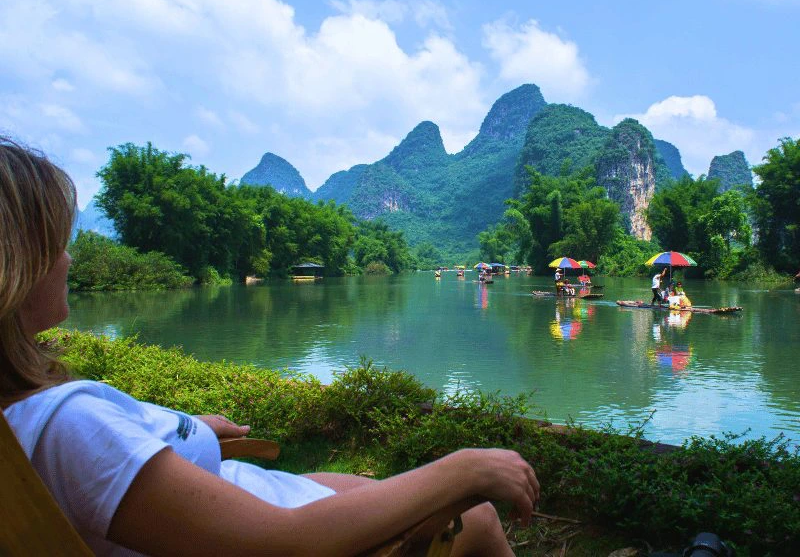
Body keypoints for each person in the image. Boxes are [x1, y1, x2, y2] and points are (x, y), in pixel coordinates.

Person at [0, 137, 539, 556]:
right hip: (292, 533)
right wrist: (465, 468)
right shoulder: (69, 428)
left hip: (247, 495)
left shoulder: (28, 414)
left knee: (347, 485)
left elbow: (112, 470)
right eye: (58, 243)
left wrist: (183, 430)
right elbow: (287, 545)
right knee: (482, 518)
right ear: (17, 266)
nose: (71, 259)